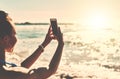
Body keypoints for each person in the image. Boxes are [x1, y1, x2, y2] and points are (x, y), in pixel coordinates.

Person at [0, 10, 64, 79]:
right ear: (6, 39)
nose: (16, 37)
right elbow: (49, 71)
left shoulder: (7, 70)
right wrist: (61, 44)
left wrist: (45, 43)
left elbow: (22, 67)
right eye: (14, 34)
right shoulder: (5, 72)